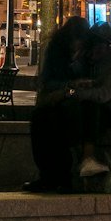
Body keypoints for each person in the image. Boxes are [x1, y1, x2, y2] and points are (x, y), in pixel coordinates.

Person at [24, 16, 92, 192]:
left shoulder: (88, 54)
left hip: (78, 103)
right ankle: (48, 175)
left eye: (79, 43)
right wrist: (68, 86)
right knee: (39, 118)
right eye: (73, 42)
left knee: (60, 119)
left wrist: (72, 87)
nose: (76, 47)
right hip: (58, 97)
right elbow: (46, 81)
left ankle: (61, 176)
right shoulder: (56, 50)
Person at [68, 22, 111, 178]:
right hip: (84, 107)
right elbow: (70, 80)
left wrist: (73, 93)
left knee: (90, 106)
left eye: (98, 46)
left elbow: (104, 95)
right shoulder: (83, 58)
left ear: (106, 45)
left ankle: (87, 158)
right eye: (91, 44)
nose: (94, 50)